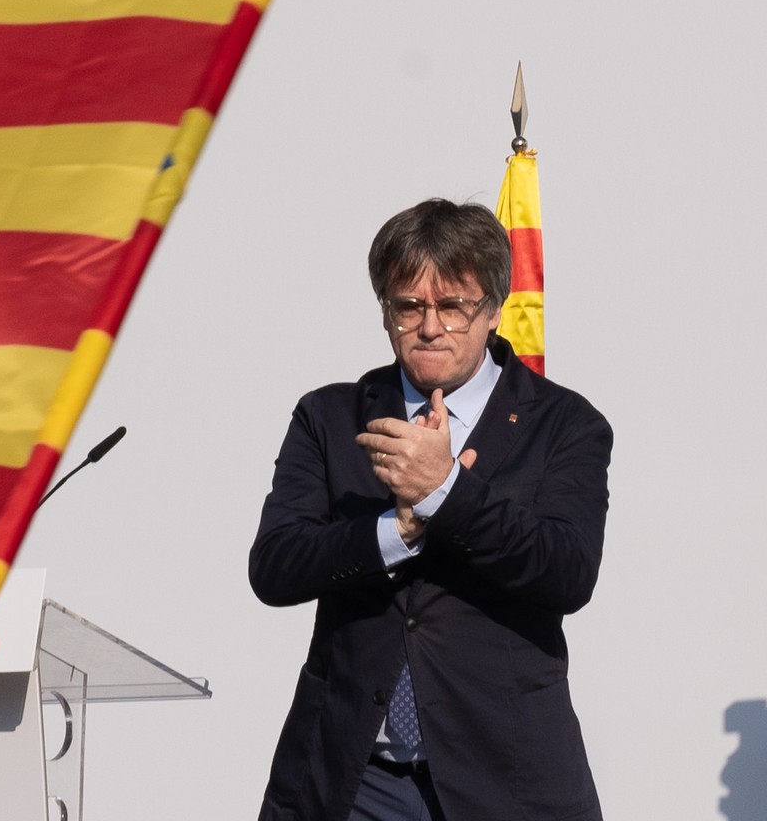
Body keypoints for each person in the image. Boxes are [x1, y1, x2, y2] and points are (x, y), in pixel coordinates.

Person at [249, 199, 611, 821]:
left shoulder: (565, 424)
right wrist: (398, 529)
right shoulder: (330, 416)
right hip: (351, 779)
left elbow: (568, 572)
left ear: (494, 311)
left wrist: (445, 491)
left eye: (453, 305)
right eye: (409, 305)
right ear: (385, 314)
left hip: (506, 780)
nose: (430, 326)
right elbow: (276, 567)